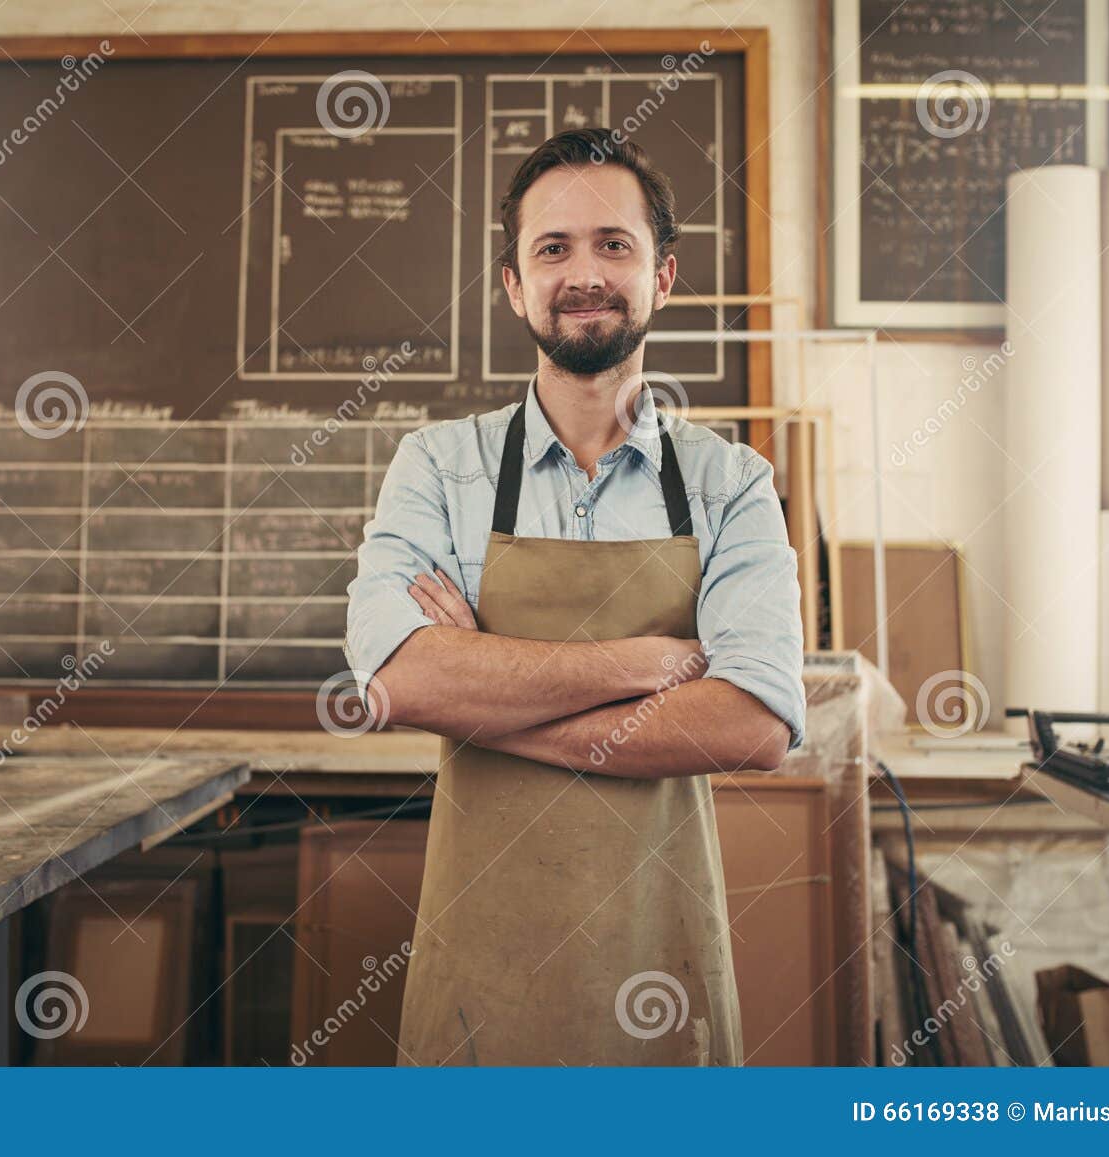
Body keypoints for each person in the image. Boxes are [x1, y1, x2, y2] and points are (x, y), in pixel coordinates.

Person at [342, 126, 806, 1066]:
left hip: (662, 975)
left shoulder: (733, 483)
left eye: (614, 244)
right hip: (480, 980)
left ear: (663, 276)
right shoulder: (439, 465)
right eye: (551, 249)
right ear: (514, 284)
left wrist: (489, 701)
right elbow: (395, 678)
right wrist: (639, 668)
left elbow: (754, 722)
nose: (583, 272)